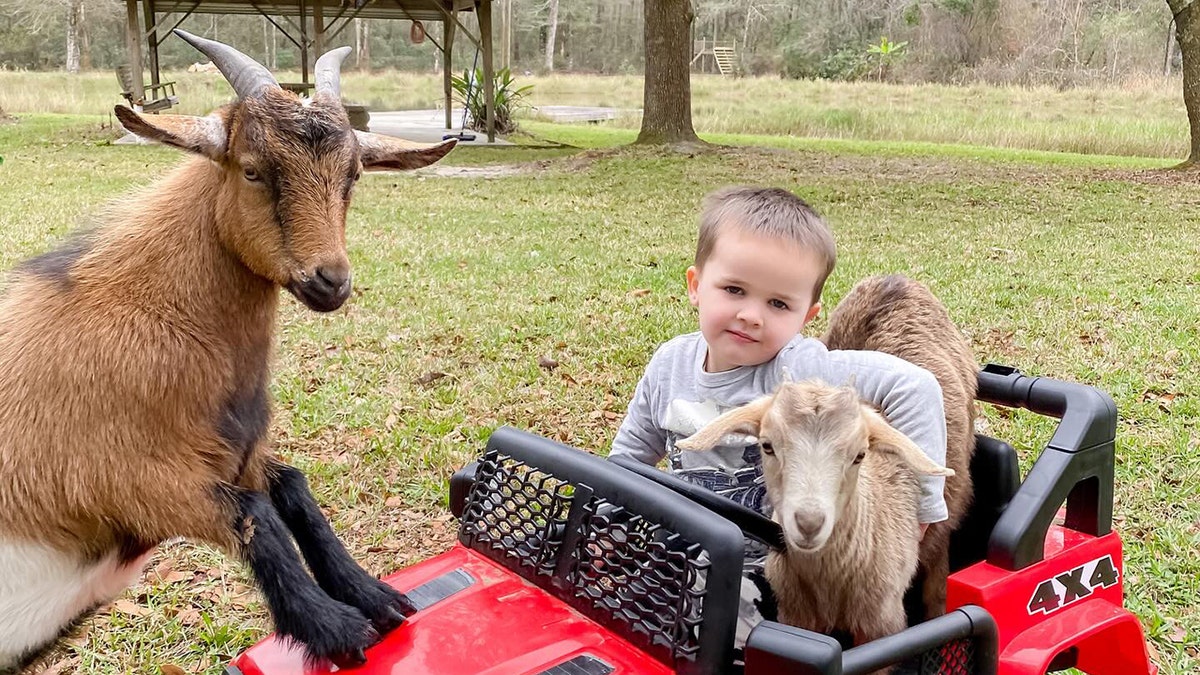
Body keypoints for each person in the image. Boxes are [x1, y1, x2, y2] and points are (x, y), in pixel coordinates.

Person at [609, 185, 948, 646]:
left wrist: (922, 512)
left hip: (769, 574)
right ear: (695, 285)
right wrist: (607, 523)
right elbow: (629, 457)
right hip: (685, 549)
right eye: (733, 290)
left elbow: (917, 386)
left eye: (778, 304)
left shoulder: (804, 367)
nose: (751, 316)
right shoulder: (668, 365)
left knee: (716, 649)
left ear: (806, 316)